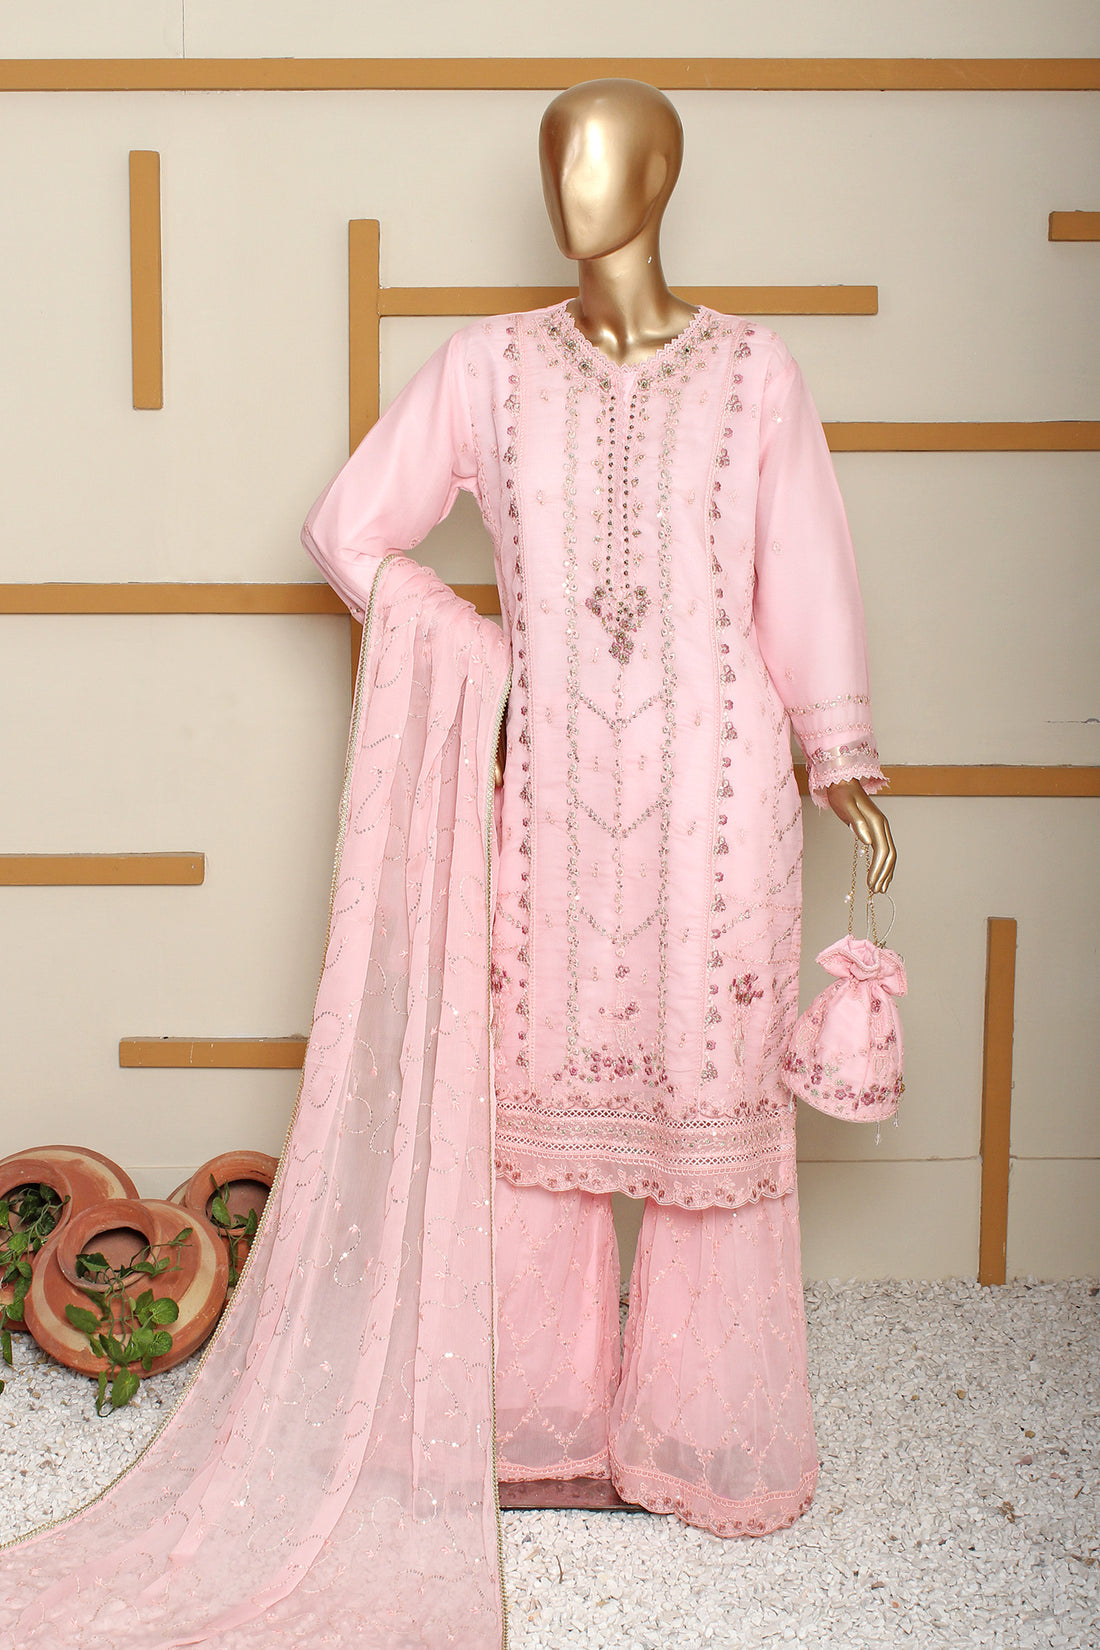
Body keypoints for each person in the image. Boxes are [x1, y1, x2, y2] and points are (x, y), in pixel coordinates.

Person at [302, 77, 895, 1539]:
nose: (573, 184)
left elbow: (804, 569)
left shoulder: (753, 372)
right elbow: (346, 529)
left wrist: (839, 758)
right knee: (545, 1098)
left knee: (708, 1103)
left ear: (661, 176)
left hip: (720, 799)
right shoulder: (490, 370)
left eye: (603, 156)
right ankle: (537, 1426)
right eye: (556, 156)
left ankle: (705, 1435)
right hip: (555, 802)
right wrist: (479, 657)